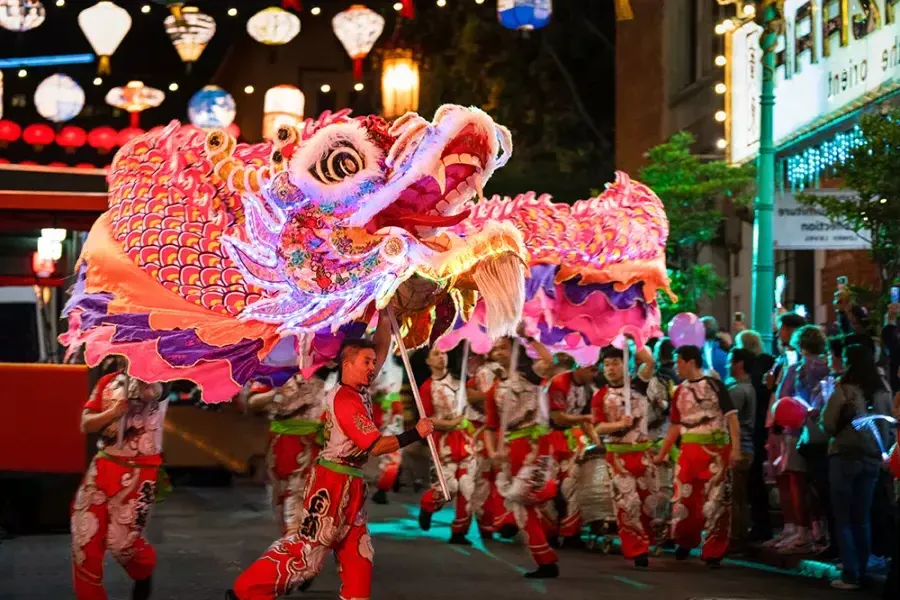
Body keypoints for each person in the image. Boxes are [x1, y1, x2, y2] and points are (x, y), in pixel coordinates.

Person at [228, 313, 435, 600]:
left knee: (359, 553)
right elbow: (375, 446)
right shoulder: (345, 399)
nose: (373, 367)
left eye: (373, 363)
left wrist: (387, 316)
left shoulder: (358, 387)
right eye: (367, 363)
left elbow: (379, 349)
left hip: (351, 484)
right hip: (331, 481)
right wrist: (416, 433)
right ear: (346, 363)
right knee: (308, 553)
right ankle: (246, 591)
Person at [71, 357, 170, 600]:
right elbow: (86, 423)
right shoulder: (107, 380)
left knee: (120, 545)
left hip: (138, 472)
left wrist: (138, 375)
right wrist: (113, 412)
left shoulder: (161, 379)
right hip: (102, 466)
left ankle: (143, 571)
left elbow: (151, 393)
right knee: (84, 540)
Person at [654, 345, 741, 567]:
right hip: (688, 453)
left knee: (717, 501)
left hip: (716, 452)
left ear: (690, 361)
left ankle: (713, 551)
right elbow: (675, 425)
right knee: (684, 499)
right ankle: (684, 541)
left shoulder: (716, 385)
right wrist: (662, 453)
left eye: (678, 362)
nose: (676, 366)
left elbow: (732, 419)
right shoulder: (678, 391)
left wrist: (736, 449)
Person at [820, 343, 894, 590]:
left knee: (844, 518)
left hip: (845, 456)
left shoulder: (845, 389)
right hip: (873, 459)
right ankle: (863, 568)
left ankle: (851, 572)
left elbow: (828, 423)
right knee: (862, 517)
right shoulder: (883, 390)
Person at [484, 342, 560, 578]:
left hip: (535, 447)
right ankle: (545, 558)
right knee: (522, 508)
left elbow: (549, 362)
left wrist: (529, 338)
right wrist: (493, 452)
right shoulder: (494, 389)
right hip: (509, 451)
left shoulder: (530, 376)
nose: (499, 353)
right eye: (495, 349)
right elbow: (490, 426)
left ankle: (551, 537)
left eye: (504, 348)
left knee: (521, 499)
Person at [591, 344, 660, 567]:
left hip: (643, 455)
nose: (610, 369)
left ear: (626, 364)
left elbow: (649, 362)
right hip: (618, 457)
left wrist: (634, 338)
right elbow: (597, 428)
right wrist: (619, 424)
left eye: (615, 363)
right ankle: (636, 550)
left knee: (649, 504)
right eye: (607, 364)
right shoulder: (600, 395)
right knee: (627, 504)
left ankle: (646, 539)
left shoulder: (639, 385)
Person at [247, 369, 329, 535]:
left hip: (315, 441)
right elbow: (253, 402)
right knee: (281, 495)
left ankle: (296, 543)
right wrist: (275, 394)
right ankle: (291, 541)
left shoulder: (331, 372)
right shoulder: (275, 373)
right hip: (282, 442)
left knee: (303, 495)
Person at [417, 347, 474, 544]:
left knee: (468, 486)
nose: (441, 357)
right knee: (448, 485)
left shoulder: (461, 380)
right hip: (443, 442)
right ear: (427, 361)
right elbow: (425, 419)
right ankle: (428, 505)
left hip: (466, 439)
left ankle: (459, 531)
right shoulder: (427, 387)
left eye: (443, 353)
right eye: (436, 354)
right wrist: (448, 424)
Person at [545, 353, 598, 548]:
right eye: (592, 369)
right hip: (551, 438)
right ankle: (548, 532)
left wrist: (597, 443)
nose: (595, 374)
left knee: (573, 485)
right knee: (549, 486)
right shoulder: (559, 382)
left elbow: (586, 420)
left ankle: (570, 533)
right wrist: (583, 420)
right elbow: (558, 418)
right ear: (581, 366)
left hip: (572, 440)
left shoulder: (588, 389)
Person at [734, 329, 775, 541]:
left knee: (751, 483)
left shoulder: (749, 381)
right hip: (762, 426)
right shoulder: (769, 363)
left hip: (755, 429)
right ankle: (759, 525)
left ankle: (757, 526)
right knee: (754, 481)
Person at [726, 348, 757, 550]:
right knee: (739, 495)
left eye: (731, 361)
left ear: (739, 364)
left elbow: (729, 420)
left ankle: (736, 538)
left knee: (734, 496)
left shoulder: (738, 391)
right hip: (747, 446)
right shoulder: (749, 388)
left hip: (739, 447)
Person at [371, 356, 405, 505]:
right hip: (367, 404)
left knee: (393, 450)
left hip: (391, 407)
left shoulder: (398, 351)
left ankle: (384, 487)